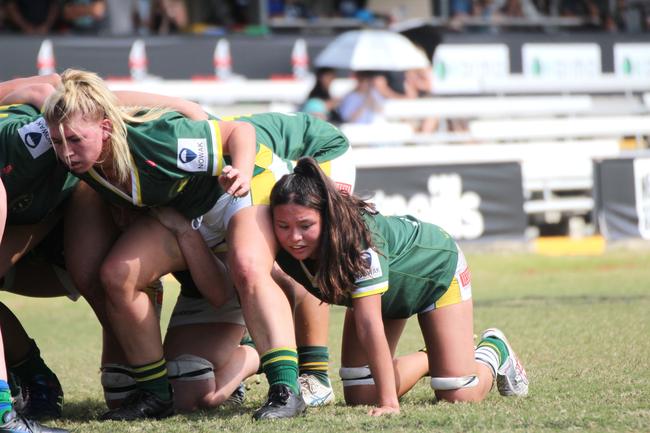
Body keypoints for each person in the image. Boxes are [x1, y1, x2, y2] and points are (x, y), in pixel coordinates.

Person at [43, 69, 354, 420]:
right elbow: (71, 94)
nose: (66, 153)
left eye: (75, 140)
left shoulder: (156, 139)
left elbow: (240, 131)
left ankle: (287, 389)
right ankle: (155, 394)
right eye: (57, 142)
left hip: (236, 188)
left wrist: (240, 169)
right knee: (116, 274)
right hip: (186, 215)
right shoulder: (80, 143)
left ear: (105, 128)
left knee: (249, 266)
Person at [269, 157, 529, 416]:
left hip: (435, 270)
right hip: (387, 294)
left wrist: (389, 403)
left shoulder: (357, 239)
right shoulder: (275, 244)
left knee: (457, 392)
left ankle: (494, 348)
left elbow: (369, 323)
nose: (294, 238)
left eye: (306, 225)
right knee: (360, 394)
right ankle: (436, 356)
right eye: (283, 226)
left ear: (327, 217)